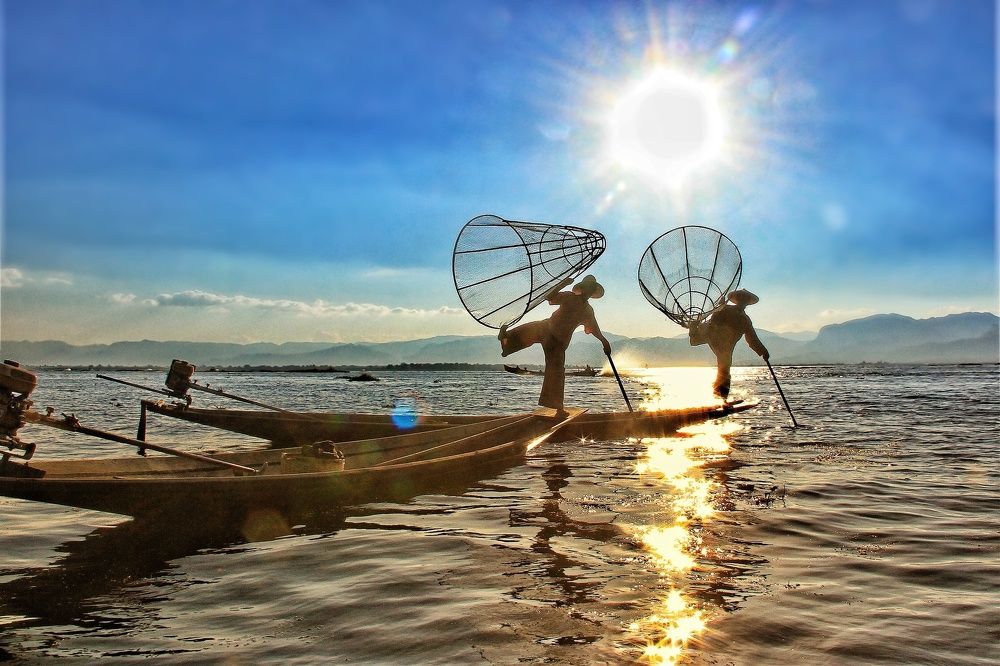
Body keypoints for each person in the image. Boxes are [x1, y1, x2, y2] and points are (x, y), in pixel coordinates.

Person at [499, 275, 611, 412]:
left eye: (591, 289)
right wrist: (562, 284)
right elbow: (550, 297)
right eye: (588, 288)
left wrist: (604, 341)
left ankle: (507, 341)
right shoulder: (571, 298)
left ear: (591, 292)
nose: (588, 291)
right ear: (583, 289)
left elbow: (594, 329)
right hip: (549, 332)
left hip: (555, 338)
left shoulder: (587, 310)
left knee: (555, 368)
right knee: (529, 335)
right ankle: (506, 341)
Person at [687, 289, 769, 401]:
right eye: (741, 298)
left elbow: (752, 339)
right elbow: (713, 319)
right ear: (738, 300)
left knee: (725, 367)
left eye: (745, 300)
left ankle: (720, 397)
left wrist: (763, 351)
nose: (743, 301)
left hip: (725, 343)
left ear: (747, 302)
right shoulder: (726, 309)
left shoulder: (744, 319)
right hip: (713, 335)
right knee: (724, 366)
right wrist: (720, 306)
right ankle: (720, 398)